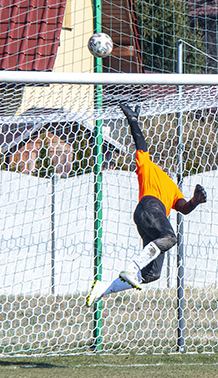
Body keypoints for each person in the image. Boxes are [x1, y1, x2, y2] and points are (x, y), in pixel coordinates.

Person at [86, 102, 208, 307]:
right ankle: (132, 267)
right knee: (170, 238)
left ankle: (103, 288)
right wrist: (133, 121)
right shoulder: (148, 167)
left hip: (152, 218)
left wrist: (195, 201)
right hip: (149, 207)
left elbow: (183, 208)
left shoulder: (173, 187)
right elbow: (140, 144)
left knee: (152, 274)